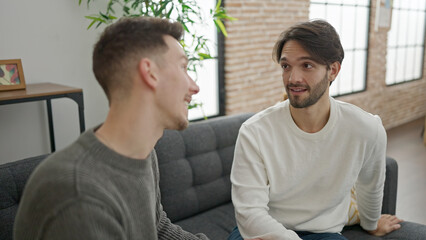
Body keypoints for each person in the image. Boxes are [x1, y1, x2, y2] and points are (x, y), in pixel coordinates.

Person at [14, 17, 209, 239]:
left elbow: (158, 227)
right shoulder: (77, 193)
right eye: (183, 67)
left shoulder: (143, 153)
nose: (195, 86)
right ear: (150, 72)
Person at [229, 20, 403, 240]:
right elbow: (249, 214)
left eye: (307, 65)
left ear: (333, 70)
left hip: (324, 233)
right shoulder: (255, 132)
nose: (293, 78)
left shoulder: (367, 129)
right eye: (286, 66)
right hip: (265, 232)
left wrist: (370, 223)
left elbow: (370, 185)